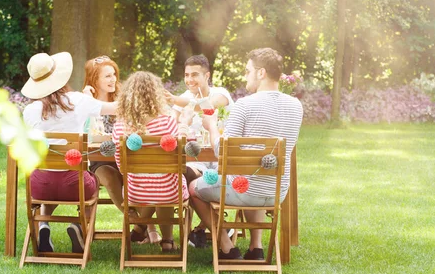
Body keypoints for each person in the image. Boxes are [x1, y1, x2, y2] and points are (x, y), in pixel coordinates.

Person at [189, 48, 303, 260]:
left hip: (244, 190)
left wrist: (212, 126)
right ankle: (256, 248)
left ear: (261, 73)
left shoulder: (244, 105)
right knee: (253, 177)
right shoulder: (296, 106)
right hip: (277, 191)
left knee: (193, 188)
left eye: (248, 71)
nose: (245, 76)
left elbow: (222, 151)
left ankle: (226, 247)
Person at [21, 52, 117, 254]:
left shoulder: (29, 111)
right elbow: (115, 108)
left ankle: (43, 226)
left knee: (51, 179)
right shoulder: (78, 100)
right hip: (75, 186)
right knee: (93, 181)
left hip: (39, 187)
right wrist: (90, 100)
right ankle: (80, 227)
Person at [112, 71, 190, 251]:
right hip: (170, 193)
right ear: (155, 95)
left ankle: (140, 226)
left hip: (135, 193)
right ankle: (168, 241)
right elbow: (179, 157)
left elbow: (121, 167)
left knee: (154, 182)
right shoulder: (167, 123)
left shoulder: (120, 126)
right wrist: (184, 125)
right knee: (165, 183)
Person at [166, 54, 235, 248]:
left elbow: (209, 105)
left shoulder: (221, 93)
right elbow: (172, 125)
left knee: (190, 177)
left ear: (207, 76)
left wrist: (176, 100)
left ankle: (207, 227)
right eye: (187, 75)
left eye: (195, 74)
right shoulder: (184, 98)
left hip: (221, 160)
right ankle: (214, 225)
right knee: (184, 172)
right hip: (196, 160)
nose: (189, 80)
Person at [81, 55, 123, 212]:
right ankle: (137, 221)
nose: (113, 79)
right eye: (107, 76)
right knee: (110, 177)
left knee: (140, 178)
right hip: (99, 160)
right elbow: (86, 134)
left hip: (126, 157)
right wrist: (87, 101)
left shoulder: (121, 99)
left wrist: (89, 101)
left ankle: (146, 228)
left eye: (114, 75)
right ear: (95, 79)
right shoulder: (83, 101)